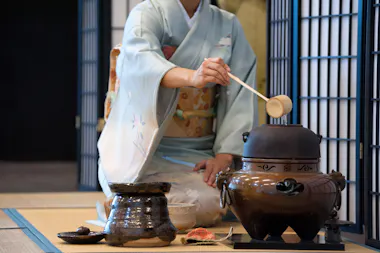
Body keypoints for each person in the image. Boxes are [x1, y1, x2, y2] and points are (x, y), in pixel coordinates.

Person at [98, 0, 258, 227]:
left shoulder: (227, 24)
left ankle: (125, 209)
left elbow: (240, 91)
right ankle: (128, 203)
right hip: (140, 151)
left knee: (207, 202)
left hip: (196, 157)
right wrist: (193, 78)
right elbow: (141, 63)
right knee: (136, 188)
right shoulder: (146, 14)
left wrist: (224, 155)